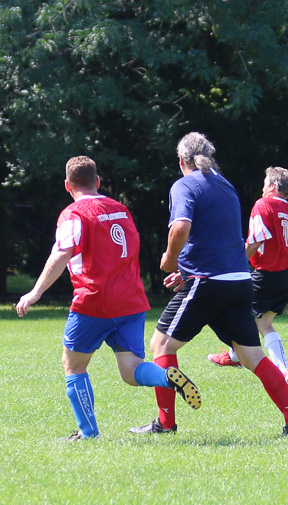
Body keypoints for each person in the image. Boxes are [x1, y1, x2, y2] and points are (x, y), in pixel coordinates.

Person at [133, 133, 288, 437]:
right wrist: (186, 270)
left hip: (208, 282)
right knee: (252, 356)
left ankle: (165, 422)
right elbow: (220, 238)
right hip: (239, 281)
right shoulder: (226, 186)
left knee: (161, 345)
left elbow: (181, 226)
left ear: (181, 160)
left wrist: (171, 260)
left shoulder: (184, 185)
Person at [16, 156, 199, 439]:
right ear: (98, 181)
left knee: (74, 365)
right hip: (131, 301)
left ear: (67, 185)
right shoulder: (120, 209)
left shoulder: (73, 214)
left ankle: (88, 433)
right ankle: (166, 376)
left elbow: (62, 252)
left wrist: (35, 292)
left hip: (94, 301)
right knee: (131, 371)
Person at [207, 166, 288, 385]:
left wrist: (236, 263)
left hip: (268, 275)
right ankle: (284, 371)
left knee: (225, 308)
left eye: (265, 184)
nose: (262, 189)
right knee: (264, 323)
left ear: (273, 186)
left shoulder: (263, 204)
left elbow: (256, 240)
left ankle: (235, 355)